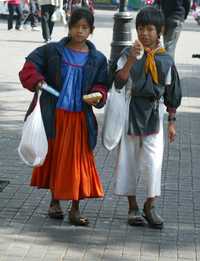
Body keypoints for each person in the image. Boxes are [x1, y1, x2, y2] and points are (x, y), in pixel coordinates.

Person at [19, 7, 108, 226]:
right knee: (56, 158)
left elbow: (103, 84)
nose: (80, 31)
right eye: (76, 26)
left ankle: (75, 208)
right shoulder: (51, 51)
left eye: (85, 27)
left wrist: (98, 94)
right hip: (55, 115)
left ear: (91, 30)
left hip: (80, 119)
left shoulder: (98, 58)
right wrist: (37, 80)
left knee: (78, 162)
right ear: (69, 28)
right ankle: (55, 203)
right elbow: (28, 68)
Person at [111, 6, 182, 229]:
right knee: (128, 162)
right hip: (131, 111)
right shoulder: (128, 54)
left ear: (159, 31)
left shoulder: (165, 60)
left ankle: (150, 205)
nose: (144, 33)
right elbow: (119, 82)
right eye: (140, 28)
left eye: (149, 29)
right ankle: (132, 207)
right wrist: (132, 59)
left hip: (154, 114)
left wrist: (172, 122)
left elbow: (172, 93)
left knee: (153, 162)